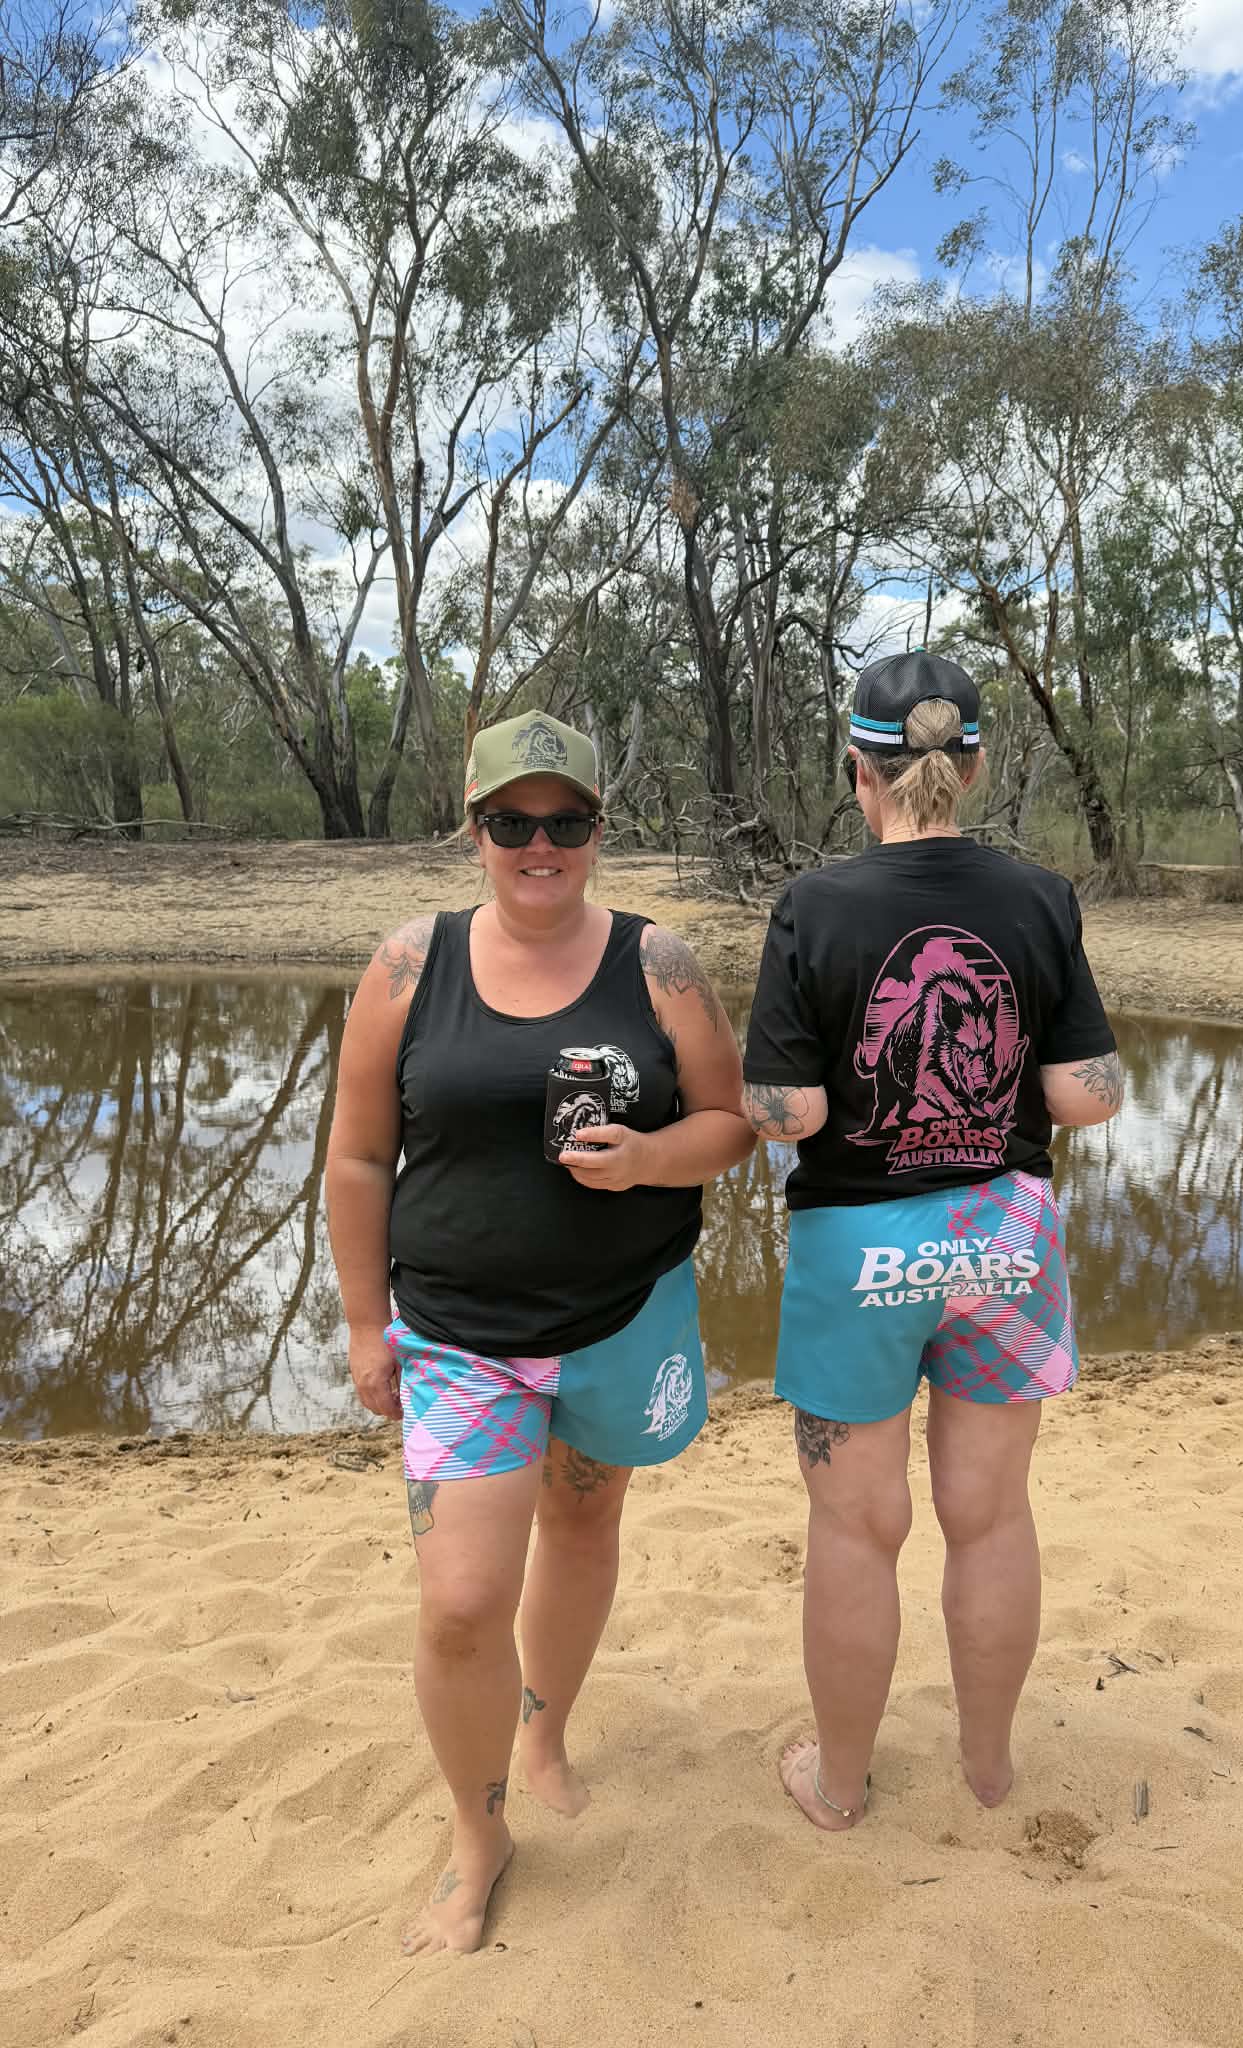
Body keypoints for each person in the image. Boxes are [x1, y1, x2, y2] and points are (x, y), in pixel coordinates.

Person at [325, 709, 753, 1954]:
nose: (540, 843)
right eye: (513, 820)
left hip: (621, 1314)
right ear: (475, 829)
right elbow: (357, 1155)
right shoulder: (409, 965)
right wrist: (365, 1323)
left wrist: (650, 1159)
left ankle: (547, 1726)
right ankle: (479, 1830)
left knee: (583, 1520)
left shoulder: (659, 963)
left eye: (566, 821)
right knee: (459, 1600)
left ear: (599, 831)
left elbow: (728, 1122)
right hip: (458, 1330)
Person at [740, 651, 1124, 1830]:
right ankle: (990, 1766)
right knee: (992, 1512)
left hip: (861, 1244)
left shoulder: (814, 907)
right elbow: (1086, 1096)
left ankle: (842, 1782)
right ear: (978, 764)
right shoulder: (1041, 897)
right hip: (1005, 1235)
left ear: (858, 771)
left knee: (858, 1524)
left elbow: (788, 1111)